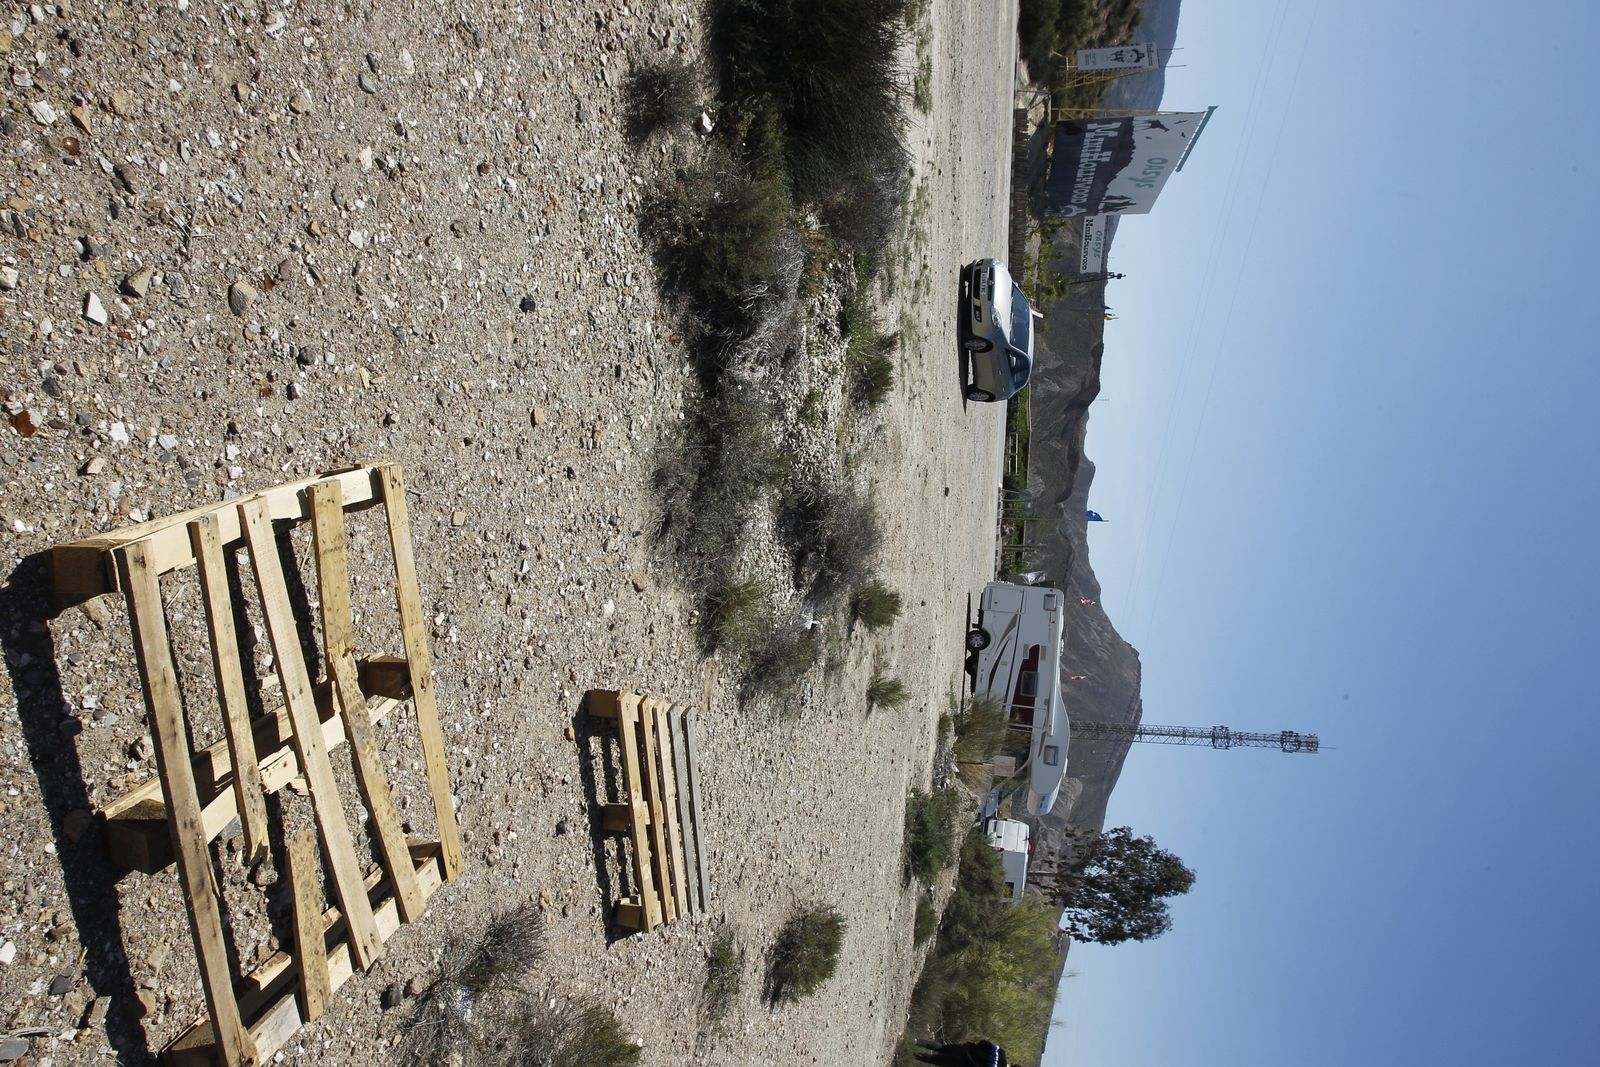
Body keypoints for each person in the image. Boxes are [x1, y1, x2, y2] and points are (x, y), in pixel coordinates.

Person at [913, 1038, 1010, 1067]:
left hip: (965, 1050)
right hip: (962, 1064)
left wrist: (975, 1047)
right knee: (936, 1060)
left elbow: (984, 1043)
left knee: (942, 1048)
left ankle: (916, 1042)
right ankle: (912, 1054)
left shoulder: (1000, 1052)